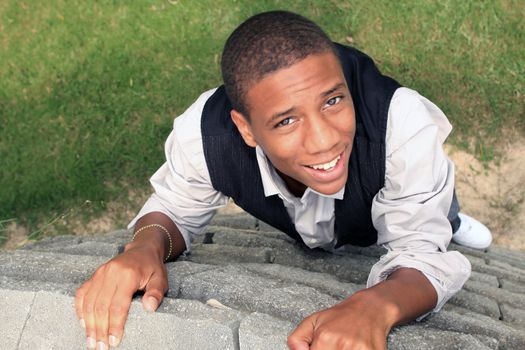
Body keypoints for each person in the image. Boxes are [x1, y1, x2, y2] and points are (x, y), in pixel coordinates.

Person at [75, 10, 493, 350]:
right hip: (308, 213)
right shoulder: (205, 135)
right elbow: (173, 207)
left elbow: (419, 252)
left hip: (396, 193)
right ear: (246, 129)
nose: (325, 138)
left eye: (333, 100)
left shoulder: (400, 121)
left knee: (436, 214)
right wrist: (146, 246)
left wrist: (377, 305)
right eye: (287, 120)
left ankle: (454, 220)